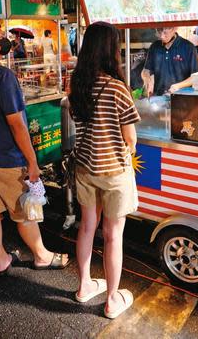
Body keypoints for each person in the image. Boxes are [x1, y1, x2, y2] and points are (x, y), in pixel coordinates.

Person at [0, 18, 69, 273]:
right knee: (23, 209)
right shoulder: (3, 76)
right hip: (6, 157)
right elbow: (17, 125)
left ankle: (1, 258)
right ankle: (42, 256)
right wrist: (32, 161)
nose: (4, 41)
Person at [69, 22, 139, 319]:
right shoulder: (116, 88)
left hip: (85, 167)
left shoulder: (77, 83)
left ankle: (85, 286)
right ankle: (111, 299)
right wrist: (128, 150)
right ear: (112, 50)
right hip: (113, 172)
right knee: (113, 234)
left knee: (87, 226)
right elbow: (131, 138)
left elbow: (77, 121)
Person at [141, 27, 198, 96]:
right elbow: (146, 70)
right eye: (159, 32)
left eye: (165, 33)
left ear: (175, 29)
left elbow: (195, 77)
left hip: (181, 98)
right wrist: (147, 79)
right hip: (159, 97)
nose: (162, 36)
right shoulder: (154, 46)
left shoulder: (189, 48)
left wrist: (178, 86)